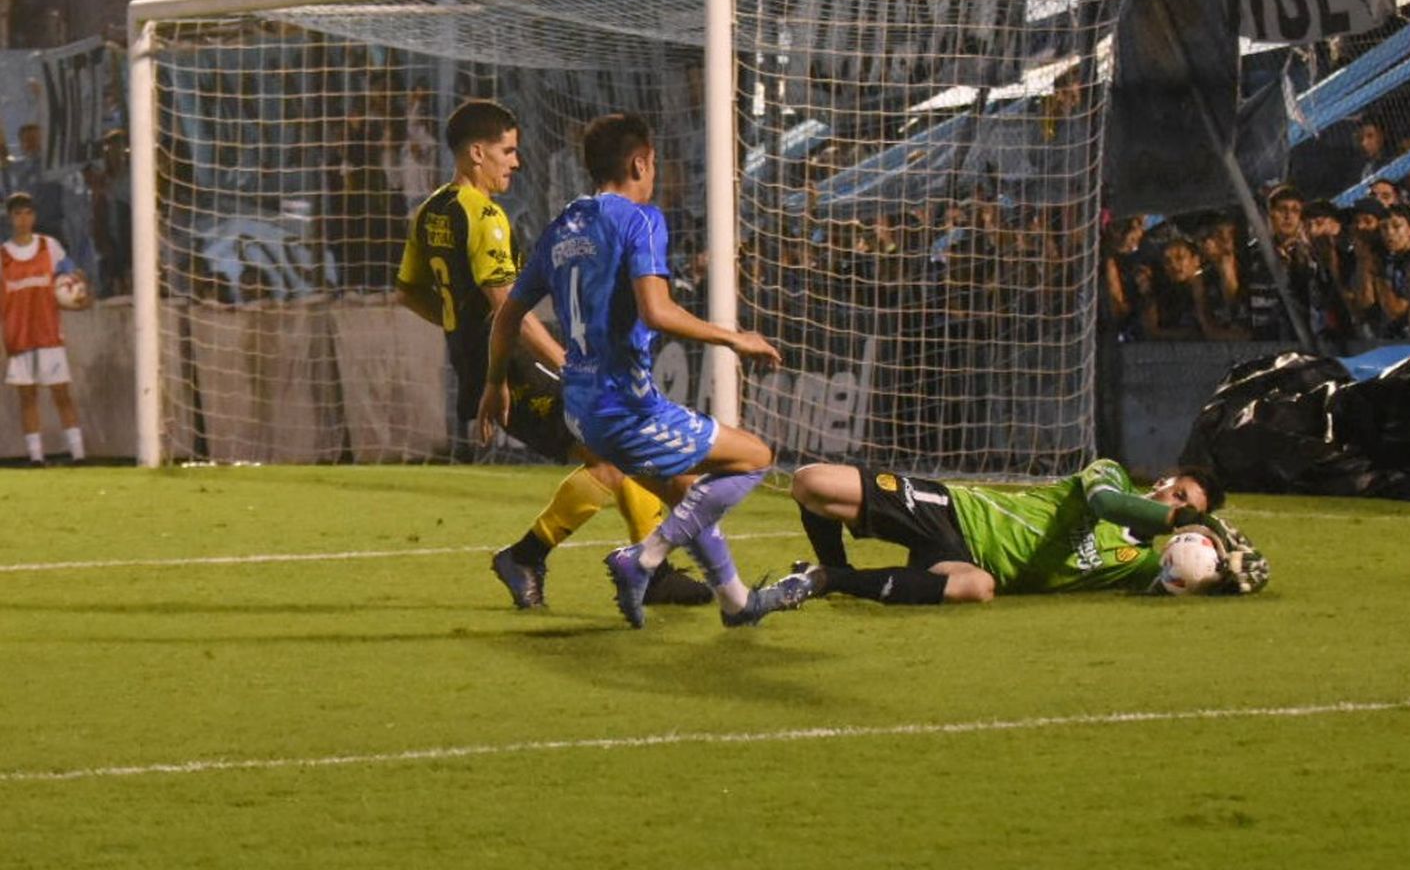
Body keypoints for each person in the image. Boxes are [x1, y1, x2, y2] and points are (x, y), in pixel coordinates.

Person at [477, 111, 813, 629]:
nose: (655, 174)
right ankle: (644, 559)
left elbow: (508, 316)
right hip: (627, 408)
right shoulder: (640, 219)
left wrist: (495, 382)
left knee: (685, 495)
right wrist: (734, 338)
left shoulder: (563, 225)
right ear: (640, 162)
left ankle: (737, 603)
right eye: (654, 163)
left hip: (581, 410)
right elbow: (658, 311)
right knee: (755, 457)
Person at [394, 100, 707, 611]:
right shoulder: (486, 216)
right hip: (514, 361)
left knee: (618, 454)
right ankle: (526, 555)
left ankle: (653, 569)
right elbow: (506, 310)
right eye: (507, 151)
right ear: (477, 153)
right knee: (610, 453)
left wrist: (460, 330)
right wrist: (564, 360)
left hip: (474, 358)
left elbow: (407, 293)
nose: (515, 163)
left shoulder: (432, 210)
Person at [789, 457, 1269, 602]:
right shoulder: (1111, 477)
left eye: (1186, 504)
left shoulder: (1139, 563)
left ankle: (829, 580)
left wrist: (1223, 574)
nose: (1175, 502)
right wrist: (1183, 518)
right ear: (1164, 484)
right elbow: (1106, 504)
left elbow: (1179, 583)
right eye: (1179, 493)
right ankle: (835, 563)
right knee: (810, 482)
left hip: (965, 558)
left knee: (977, 589)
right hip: (957, 513)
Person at [1, 191, 89, 466]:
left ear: (34, 216)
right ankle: (36, 457)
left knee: (61, 393)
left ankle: (78, 455)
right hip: (19, 335)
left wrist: (79, 288)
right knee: (27, 397)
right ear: (10, 218)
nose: (23, 218)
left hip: (48, 333)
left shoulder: (49, 247)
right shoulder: (3, 256)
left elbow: (72, 275)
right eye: (17, 213)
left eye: (27, 212)